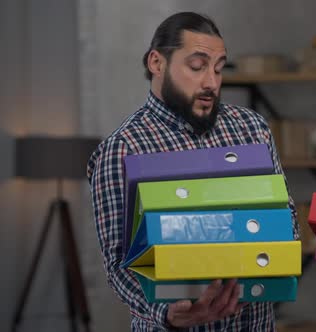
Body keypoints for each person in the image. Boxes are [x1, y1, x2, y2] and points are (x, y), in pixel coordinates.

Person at [87, 12, 298, 331]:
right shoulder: (122, 150)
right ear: (157, 63)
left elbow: (286, 218)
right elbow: (119, 265)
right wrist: (166, 315)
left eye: (218, 68)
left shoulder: (251, 128)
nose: (211, 82)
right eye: (197, 67)